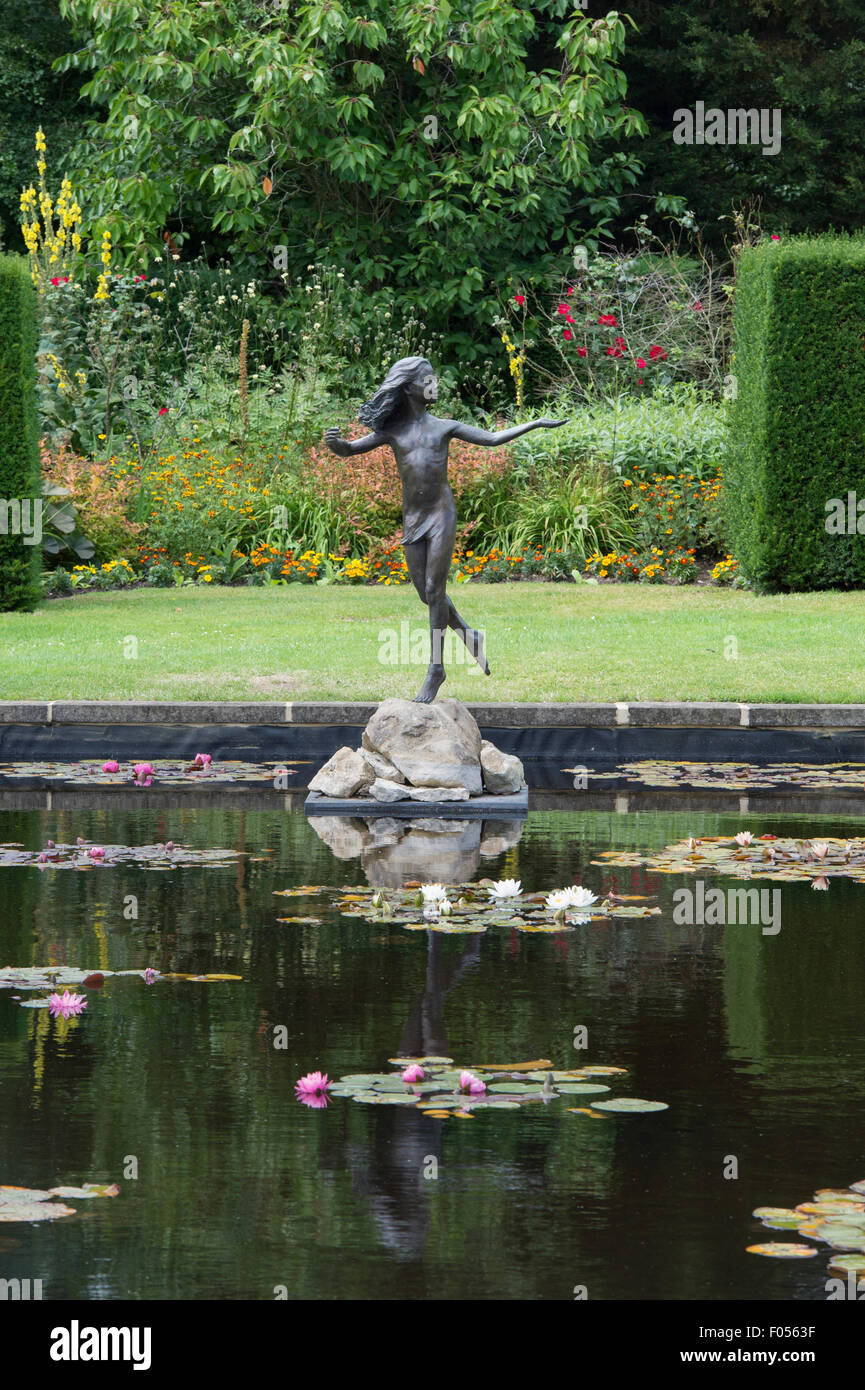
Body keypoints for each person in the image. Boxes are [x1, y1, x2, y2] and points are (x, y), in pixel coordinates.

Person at [325, 356, 567, 703]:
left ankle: (435, 670)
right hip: (413, 519)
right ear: (409, 388)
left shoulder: (445, 427)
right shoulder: (391, 431)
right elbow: (350, 449)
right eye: (428, 380)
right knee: (426, 595)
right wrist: (337, 446)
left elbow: (494, 438)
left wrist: (534, 424)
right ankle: (469, 634)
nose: (434, 385)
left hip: (441, 514)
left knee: (434, 591)